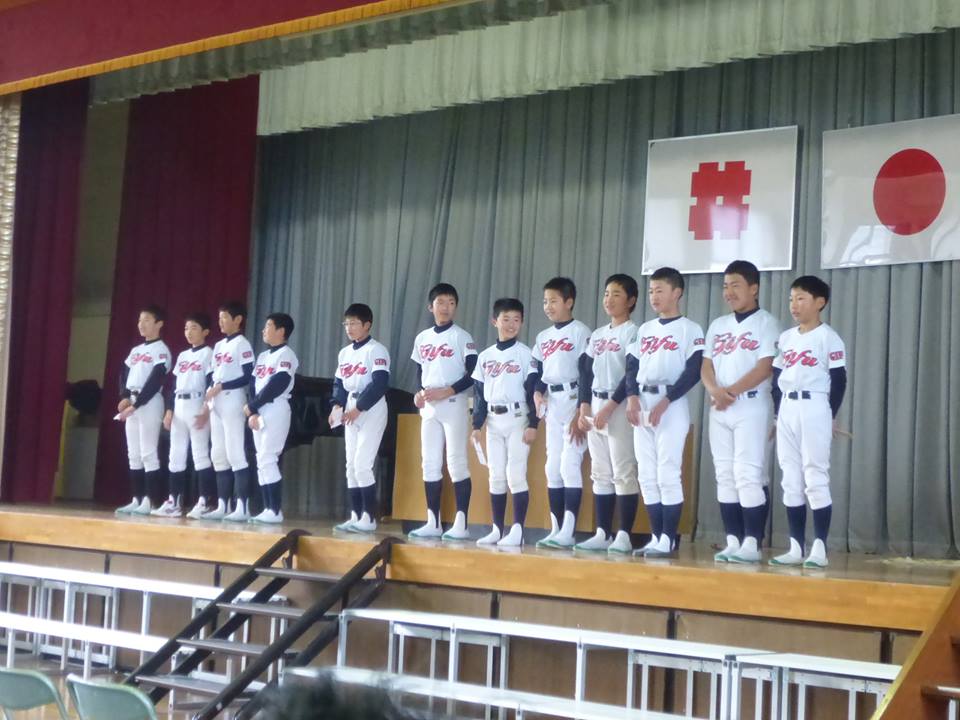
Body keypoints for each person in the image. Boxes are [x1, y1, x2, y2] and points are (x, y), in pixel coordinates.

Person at [701, 260, 779, 563]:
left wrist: (730, 392)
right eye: (725, 286)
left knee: (748, 474)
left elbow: (765, 366)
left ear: (754, 288)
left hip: (751, 404)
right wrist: (715, 391)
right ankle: (733, 540)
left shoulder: (767, 323)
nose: (729, 292)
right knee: (725, 474)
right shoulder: (718, 325)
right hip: (719, 406)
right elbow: (706, 365)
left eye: (736, 285)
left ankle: (752, 542)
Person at [625, 267, 704, 557]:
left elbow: (693, 371)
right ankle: (657, 537)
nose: (654, 296)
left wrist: (667, 400)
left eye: (660, 290)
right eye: (651, 291)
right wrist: (632, 397)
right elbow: (631, 366)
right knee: (646, 474)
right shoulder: (645, 329)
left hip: (671, 403)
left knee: (667, 473)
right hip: (643, 401)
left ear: (677, 292)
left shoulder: (690, 329)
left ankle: (668, 539)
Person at [770, 275, 847, 569]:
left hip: (815, 404)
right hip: (788, 406)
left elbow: (839, 380)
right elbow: (776, 378)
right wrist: (777, 414)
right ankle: (795, 546)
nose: (794, 304)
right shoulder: (786, 338)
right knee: (790, 478)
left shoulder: (829, 337)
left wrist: (830, 414)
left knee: (815, 475)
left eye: (801, 298)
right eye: (791, 299)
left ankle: (820, 547)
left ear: (820, 302)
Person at [575, 274, 640, 552]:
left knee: (623, 470)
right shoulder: (598, 335)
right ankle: (602, 532)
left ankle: (624, 534)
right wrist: (584, 406)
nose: (609, 299)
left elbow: (631, 374)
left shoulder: (633, 332)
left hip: (619, 405)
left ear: (631, 300)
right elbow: (585, 372)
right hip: (595, 403)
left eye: (616, 294)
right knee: (600, 471)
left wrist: (610, 406)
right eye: (606, 294)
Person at [409, 283, 477, 540]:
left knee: (457, 462)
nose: (446, 307)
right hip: (429, 407)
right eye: (441, 302)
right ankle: (433, 522)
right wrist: (419, 392)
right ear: (431, 307)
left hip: (453, 403)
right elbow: (420, 371)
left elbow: (473, 373)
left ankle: (461, 524)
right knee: (429, 463)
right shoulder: (422, 338)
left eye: (451, 302)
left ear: (456, 307)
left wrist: (448, 390)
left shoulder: (462, 337)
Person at [472, 298, 539, 547]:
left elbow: (532, 391)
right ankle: (497, 529)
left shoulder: (526, 354)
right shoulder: (485, 356)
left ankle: (518, 530)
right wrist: (476, 426)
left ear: (522, 323)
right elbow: (479, 394)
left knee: (515, 474)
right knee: (496, 475)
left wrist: (533, 424)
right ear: (495, 321)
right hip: (493, 420)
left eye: (516, 320)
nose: (511, 324)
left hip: (518, 418)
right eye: (506, 319)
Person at [531, 277, 591, 549]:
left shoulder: (580, 332)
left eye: (553, 301)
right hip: (552, 402)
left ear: (569, 301)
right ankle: (556, 529)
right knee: (552, 466)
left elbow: (586, 372)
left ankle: (569, 530)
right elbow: (538, 372)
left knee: (569, 464)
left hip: (574, 398)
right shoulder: (543, 336)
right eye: (545, 301)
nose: (548, 306)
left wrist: (581, 410)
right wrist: (537, 391)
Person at [329, 303, 390, 533]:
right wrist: (336, 405)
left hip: (371, 408)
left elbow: (380, 384)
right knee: (351, 465)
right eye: (346, 323)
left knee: (363, 464)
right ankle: (355, 515)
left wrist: (359, 408)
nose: (349, 328)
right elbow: (339, 383)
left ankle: (369, 517)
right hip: (351, 404)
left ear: (367, 325)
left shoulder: (376, 350)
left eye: (354, 323)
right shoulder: (345, 353)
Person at [202, 301, 255, 521]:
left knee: (235, 452)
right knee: (218, 453)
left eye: (225, 317)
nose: (221, 322)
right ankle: (223, 505)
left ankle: (242, 506)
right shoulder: (218, 345)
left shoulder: (242, 344)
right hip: (216, 401)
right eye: (220, 317)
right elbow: (212, 373)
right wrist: (210, 390)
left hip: (232, 398)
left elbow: (248, 375)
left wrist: (223, 385)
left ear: (238, 319)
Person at [115, 305, 171, 515]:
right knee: (134, 453)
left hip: (149, 402)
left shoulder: (162, 350)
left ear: (159, 324)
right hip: (133, 401)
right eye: (140, 320)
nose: (141, 324)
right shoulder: (136, 350)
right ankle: (136, 498)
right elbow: (124, 373)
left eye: (147, 320)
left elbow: (156, 380)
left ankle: (150, 500)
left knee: (148, 452)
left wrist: (136, 404)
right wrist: (124, 396)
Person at [245, 313, 299, 524]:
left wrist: (253, 406)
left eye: (268, 326)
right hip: (260, 409)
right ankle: (267, 508)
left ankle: (275, 510)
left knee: (268, 457)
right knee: (261, 459)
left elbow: (279, 383)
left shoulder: (287, 355)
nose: (263, 330)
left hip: (276, 407)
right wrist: (254, 410)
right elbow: (253, 384)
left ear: (281, 331)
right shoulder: (263, 356)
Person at [159, 312, 214, 518]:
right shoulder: (182, 356)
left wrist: (205, 409)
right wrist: (169, 410)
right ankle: (174, 501)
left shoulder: (208, 354)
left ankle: (204, 501)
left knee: (200, 454)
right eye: (186, 328)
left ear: (205, 332)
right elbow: (173, 385)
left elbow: (211, 383)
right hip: (179, 405)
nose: (189, 332)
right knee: (176, 455)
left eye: (194, 328)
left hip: (197, 403)